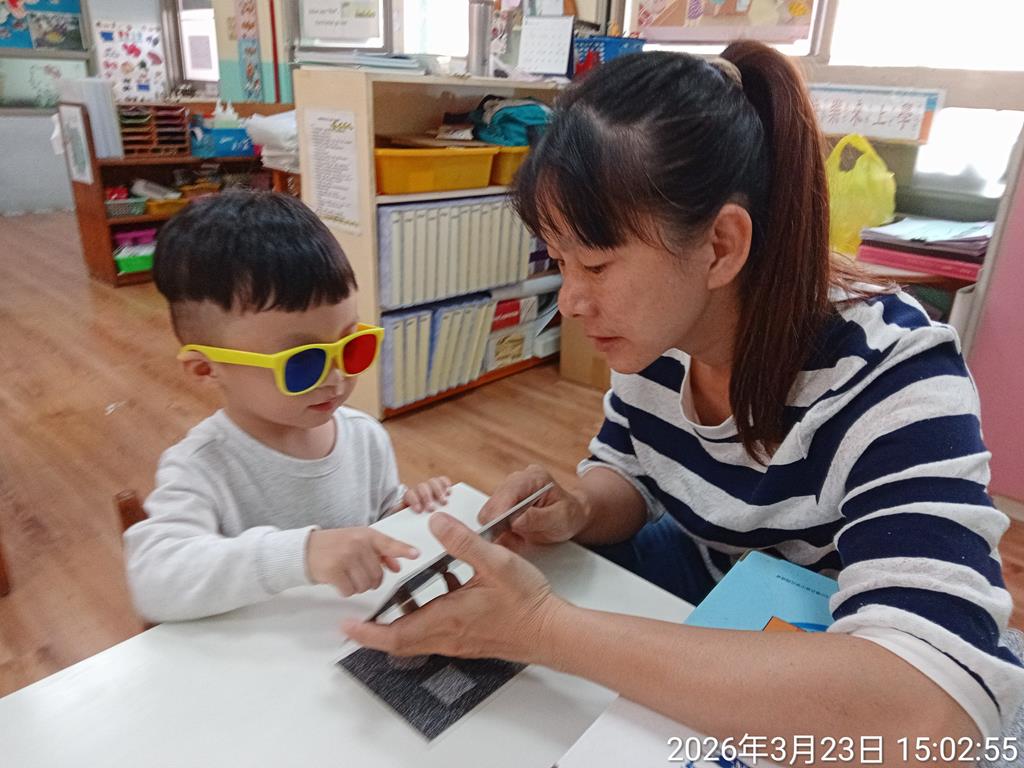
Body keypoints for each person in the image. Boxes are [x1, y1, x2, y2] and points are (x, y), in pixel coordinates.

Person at [343, 42, 1024, 749]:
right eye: (561, 262)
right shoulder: (656, 338)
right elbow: (632, 474)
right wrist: (579, 507)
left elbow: (931, 711)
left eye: (596, 264)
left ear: (721, 246)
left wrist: (543, 629)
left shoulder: (895, 376)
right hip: (707, 588)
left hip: (819, 653)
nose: (570, 300)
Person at [124, 192, 450, 623]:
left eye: (351, 345)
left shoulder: (365, 435)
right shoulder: (202, 466)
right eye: (303, 363)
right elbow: (155, 581)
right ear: (207, 369)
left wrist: (403, 511)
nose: (336, 377)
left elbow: (378, 515)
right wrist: (300, 554)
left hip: (350, 632)